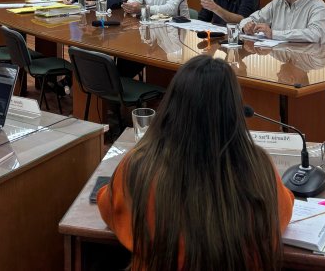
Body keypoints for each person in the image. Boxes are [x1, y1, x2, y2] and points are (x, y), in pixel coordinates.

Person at [97, 55, 294, 271]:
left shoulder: (139, 167)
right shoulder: (259, 169)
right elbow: (284, 209)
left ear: (172, 105)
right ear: (235, 110)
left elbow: (108, 206)